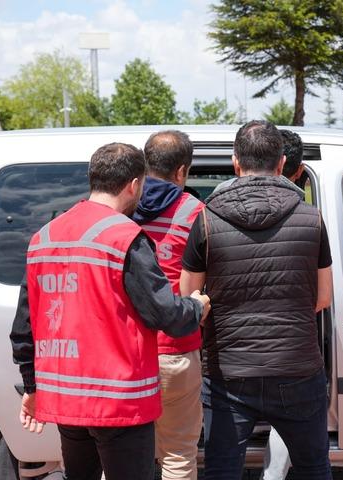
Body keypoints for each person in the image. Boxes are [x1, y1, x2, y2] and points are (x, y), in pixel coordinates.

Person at [10, 142, 210, 480]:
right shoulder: (125, 237)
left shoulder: (44, 236)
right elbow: (165, 314)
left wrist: (32, 386)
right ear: (134, 185)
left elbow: (24, 328)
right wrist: (196, 306)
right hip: (118, 400)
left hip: (67, 398)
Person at [181, 120, 334, 480]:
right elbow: (323, 297)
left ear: (236, 163)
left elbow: (189, 298)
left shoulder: (205, 219)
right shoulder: (312, 219)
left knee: (222, 470)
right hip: (297, 368)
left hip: (227, 372)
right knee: (314, 467)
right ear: (282, 163)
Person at [132, 130, 205, 480]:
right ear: (181, 172)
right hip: (175, 349)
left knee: (121, 457)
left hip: (127, 352)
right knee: (178, 454)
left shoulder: (122, 205)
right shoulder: (195, 212)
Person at [261, 128, 304, 480]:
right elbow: (322, 295)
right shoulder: (309, 217)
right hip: (291, 344)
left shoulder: (211, 211)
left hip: (235, 346)